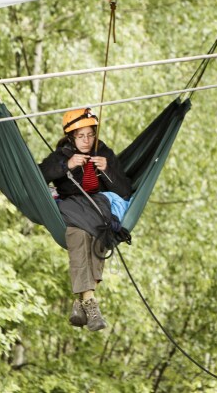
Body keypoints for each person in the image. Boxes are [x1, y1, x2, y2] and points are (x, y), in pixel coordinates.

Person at [39, 108, 132, 332]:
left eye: (90, 134)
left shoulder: (104, 152)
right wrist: (67, 166)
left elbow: (125, 190)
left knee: (83, 232)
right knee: (89, 231)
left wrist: (107, 169)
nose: (87, 140)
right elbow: (39, 174)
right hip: (72, 205)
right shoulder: (62, 155)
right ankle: (89, 301)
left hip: (98, 205)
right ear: (71, 137)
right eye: (81, 136)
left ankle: (83, 301)